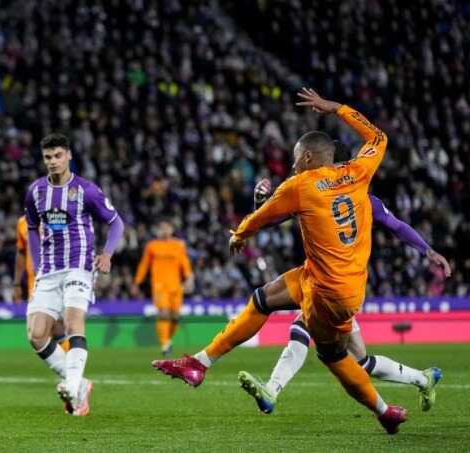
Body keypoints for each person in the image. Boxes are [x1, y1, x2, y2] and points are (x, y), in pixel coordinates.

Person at [152, 88, 407, 434]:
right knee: (263, 298)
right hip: (333, 278)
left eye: (295, 158)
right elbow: (378, 137)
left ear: (307, 158)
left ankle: (384, 411)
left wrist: (239, 234)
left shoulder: (300, 184)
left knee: (334, 357)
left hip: (329, 292)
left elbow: (261, 218)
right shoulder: (359, 171)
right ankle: (199, 362)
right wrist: (337, 108)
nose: (292, 164)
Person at [238, 175, 448, 414]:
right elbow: (270, 219)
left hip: (337, 287)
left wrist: (428, 250)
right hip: (332, 285)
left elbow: (397, 226)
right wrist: (261, 203)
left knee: (302, 325)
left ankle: (272, 390)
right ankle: (423, 378)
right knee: (360, 361)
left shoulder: (361, 201)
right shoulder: (316, 196)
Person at [24, 133, 124, 416]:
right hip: (48, 271)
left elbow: (116, 223)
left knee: (72, 322)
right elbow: (32, 228)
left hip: (79, 266)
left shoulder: (86, 190)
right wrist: (36, 265)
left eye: (58, 155)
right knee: (36, 335)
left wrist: (107, 253)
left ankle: (70, 385)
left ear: (68, 155)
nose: (53, 161)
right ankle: (80, 386)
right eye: (48, 157)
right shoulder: (35, 191)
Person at [133, 219, 193, 356]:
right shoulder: (152, 246)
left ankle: (168, 340)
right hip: (159, 286)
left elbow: (185, 263)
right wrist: (137, 282)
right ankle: (165, 344)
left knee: (175, 317)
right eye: (162, 228)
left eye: (167, 227)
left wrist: (189, 278)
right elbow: (144, 265)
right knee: (164, 314)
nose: (165, 230)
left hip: (176, 287)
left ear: (172, 230)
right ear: (158, 230)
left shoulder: (178, 245)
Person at [14, 215, 70, 351]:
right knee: (38, 333)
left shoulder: (58, 217)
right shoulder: (22, 223)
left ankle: (70, 361)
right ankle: (68, 362)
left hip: (57, 280)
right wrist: (17, 284)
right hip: (34, 285)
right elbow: (21, 252)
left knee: (56, 327)